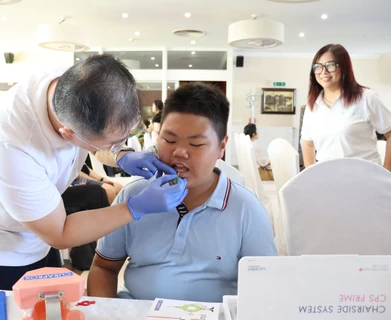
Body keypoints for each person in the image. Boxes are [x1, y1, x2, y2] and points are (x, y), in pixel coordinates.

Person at [0, 54, 188, 312]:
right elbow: (60, 232)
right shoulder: (9, 147)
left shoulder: (78, 82)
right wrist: (134, 208)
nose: (117, 146)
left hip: (39, 229)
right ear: (68, 133)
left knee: (51, 312)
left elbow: (96, 145)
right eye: (112, 142)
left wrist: (122, 154)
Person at [87, 83, 277, 303]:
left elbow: (265, 287)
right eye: (169, 140)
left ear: (221, 147)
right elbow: (104, 267)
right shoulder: (135, 198)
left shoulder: (246, 208)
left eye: (196, 144)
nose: (179, 152)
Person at [301, 44, 391, 171]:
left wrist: (386, 171)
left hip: (364, 177)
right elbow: (308, 143)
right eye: (318, 66)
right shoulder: (313, 105)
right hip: (327, 178)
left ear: (344, 67)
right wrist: (311, 174)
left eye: (330, 65)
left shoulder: (367, 98)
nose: (323, 72)